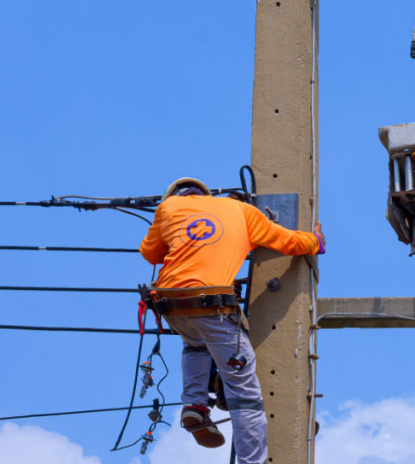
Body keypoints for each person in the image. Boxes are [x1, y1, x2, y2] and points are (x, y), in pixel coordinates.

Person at [139, 177, 325, 464]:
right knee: (244, 393)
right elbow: (288, 242)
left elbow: (150, 253)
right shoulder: (243, 212)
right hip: (212, 306)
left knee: (196, 345)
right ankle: (252, 461)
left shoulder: (168, 208)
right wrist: (316, 241)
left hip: (170, 304)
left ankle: (195, 404)